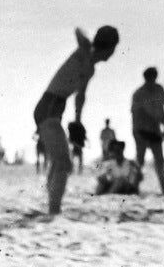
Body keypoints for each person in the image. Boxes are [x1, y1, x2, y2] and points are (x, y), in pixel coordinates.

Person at [33, 26, 119, 215]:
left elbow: (81, 96)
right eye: (113, 48)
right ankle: (54, 211)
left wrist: (78, 121)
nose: (113, 54)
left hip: (56, 107)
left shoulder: (90, 68)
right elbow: (78, 30)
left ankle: (52, 208)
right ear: (109, 47)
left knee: (59, 161)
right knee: (63, 162)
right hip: (49, 106)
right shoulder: (84, 52)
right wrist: (87, 43)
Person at [130, 67, 164, 195]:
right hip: (141, 129)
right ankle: (134, 187)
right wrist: (137, 133)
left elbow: (162, 110)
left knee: (159, 160)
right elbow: (135, 114)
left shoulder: (159, 89)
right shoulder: (138, 93)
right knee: (140, 159)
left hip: (154, 130)